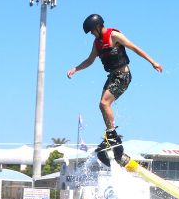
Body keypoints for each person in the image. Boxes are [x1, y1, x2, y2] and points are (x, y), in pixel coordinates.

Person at [67, 14, 162, 152]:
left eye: (92, 31)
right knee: (102, 105)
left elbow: (135, 48)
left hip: (123, 75)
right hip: (112, 76)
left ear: (98, 26)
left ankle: (112, 135)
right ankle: (111, 134)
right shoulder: (97, 43)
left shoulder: (114, 35)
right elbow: (90, 60)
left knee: (104, 103)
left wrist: (153, 62)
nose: (92, 35)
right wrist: (75, 69)